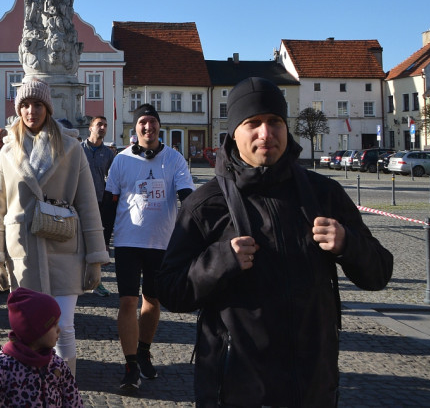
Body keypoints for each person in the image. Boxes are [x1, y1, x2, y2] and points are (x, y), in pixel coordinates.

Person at [156, 77, 394, 407]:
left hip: (312, 387)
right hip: (235, 390)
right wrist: (219, 261)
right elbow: (170, 290)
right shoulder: (205, 204)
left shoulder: (324, 194)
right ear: (234, 132)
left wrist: (348, 244)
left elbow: (380, 273)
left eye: (275, 122)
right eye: (252, 123)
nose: (265, 133)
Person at [0, 78, 108, 377]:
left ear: (48, 108)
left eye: (38, 104)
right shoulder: (6, 152)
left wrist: (96, 258)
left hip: (63, 249)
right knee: (27, 332)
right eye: (25, 105)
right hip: (23, 252)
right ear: (18, 109)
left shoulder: (71, 148)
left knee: (64, 326)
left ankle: (63, 388)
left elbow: (88, 204)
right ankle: (29, 391)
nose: (31, 111)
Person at [103, 104, 194, 393]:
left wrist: (195, 234)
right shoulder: (121, 160)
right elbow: (108, 205)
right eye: (143, 122)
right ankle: (130, 365)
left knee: (152, 301)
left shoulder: (174, 158)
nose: (148, 128)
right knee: (128, 302)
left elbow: (187, 199)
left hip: (161, 242)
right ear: (135, 128)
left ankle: (143, 350)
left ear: (159, 126)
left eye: (152, 122)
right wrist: (101, 243)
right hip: (128, 242)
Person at [0, 287, 83, 408]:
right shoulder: (3, 364)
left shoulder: (56, 364)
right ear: (35, 331)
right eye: (53, 325)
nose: (59, 329)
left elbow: (72, 400)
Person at [80, 114, 116, 295]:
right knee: (77, 241)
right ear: (90, 128)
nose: (102, 128)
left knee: (98, 243)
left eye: (105, 125)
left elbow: (113, 179)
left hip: (100, 203)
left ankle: (96, 280)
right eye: (99, 124)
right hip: (78, 202)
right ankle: (76, 279)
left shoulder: (108, 154)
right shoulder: (79, 150)